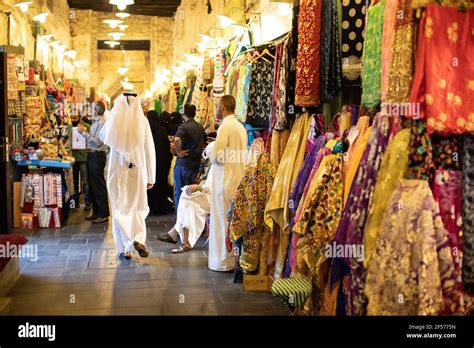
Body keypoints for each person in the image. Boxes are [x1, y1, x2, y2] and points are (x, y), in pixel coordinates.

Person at [100, 94, 156, 260]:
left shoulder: (113, 119)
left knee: (119, 209)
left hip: (117, 171)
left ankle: (125, 249)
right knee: (136, 207)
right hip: (137, 170)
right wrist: (151, 175)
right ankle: (138, 239)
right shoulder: (143, 121)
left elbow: (104, 139)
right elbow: (148, 149)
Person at [209, 95, 247, 272]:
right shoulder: (240, 127)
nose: (216, 108)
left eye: (217, 105)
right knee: (233, 222)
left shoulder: (225, 126)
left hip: (224, 180)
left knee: (222, 222)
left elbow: (218, 156)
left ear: (223, 107)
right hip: (237, 179)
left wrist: (209, 152)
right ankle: (234, 260)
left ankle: (222, 262)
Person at [157, 142, 215, 253]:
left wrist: (199, 187)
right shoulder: (216, 165)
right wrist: (202, 185)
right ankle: (184, 241)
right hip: (209, 194)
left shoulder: (221, 166)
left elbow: (218, 186)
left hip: (216, 199)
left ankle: (175, 234)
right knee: (187, 201)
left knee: (186, 198)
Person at [78, 102, 110, 223]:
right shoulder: (96, 122)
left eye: (92, 109)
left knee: (98, 185)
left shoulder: (101, 123)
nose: (90, 111)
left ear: (96, 111)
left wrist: (83, 132)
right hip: (92, 154)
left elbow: (97, 142)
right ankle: (96, 212)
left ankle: (104, 214)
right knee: (92, 185)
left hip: (97, 155)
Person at [173, 104, 207, 210]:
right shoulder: (200, 126)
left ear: (184, 114)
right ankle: (188, 220)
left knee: (180, 193)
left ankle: (180, 221)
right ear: (195, 113)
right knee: (191, 195)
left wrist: (179, 152)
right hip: (195, 166)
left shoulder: (183, 126)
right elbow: (205, 140)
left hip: (183, 164)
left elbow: (177, 139)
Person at [146, 110, 173, 215]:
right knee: (161, 184)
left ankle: (150, 206)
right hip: (161, 164)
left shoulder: (146, 131)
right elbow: (167, 149)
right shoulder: (162, 131)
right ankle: (160, 206)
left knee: (150, 184)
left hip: (150, 164)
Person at [70, 114, 92, 211]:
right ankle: (75, 201)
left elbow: (91, 140)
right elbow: (66, 139)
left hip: (84, 157)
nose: (72, 120)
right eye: (71, 118)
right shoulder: (69, 127)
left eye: (74, 118)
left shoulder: (86, 127)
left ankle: (87, 202)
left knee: (85, 181)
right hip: (73, 158)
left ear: (79, 117)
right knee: (74, 180)